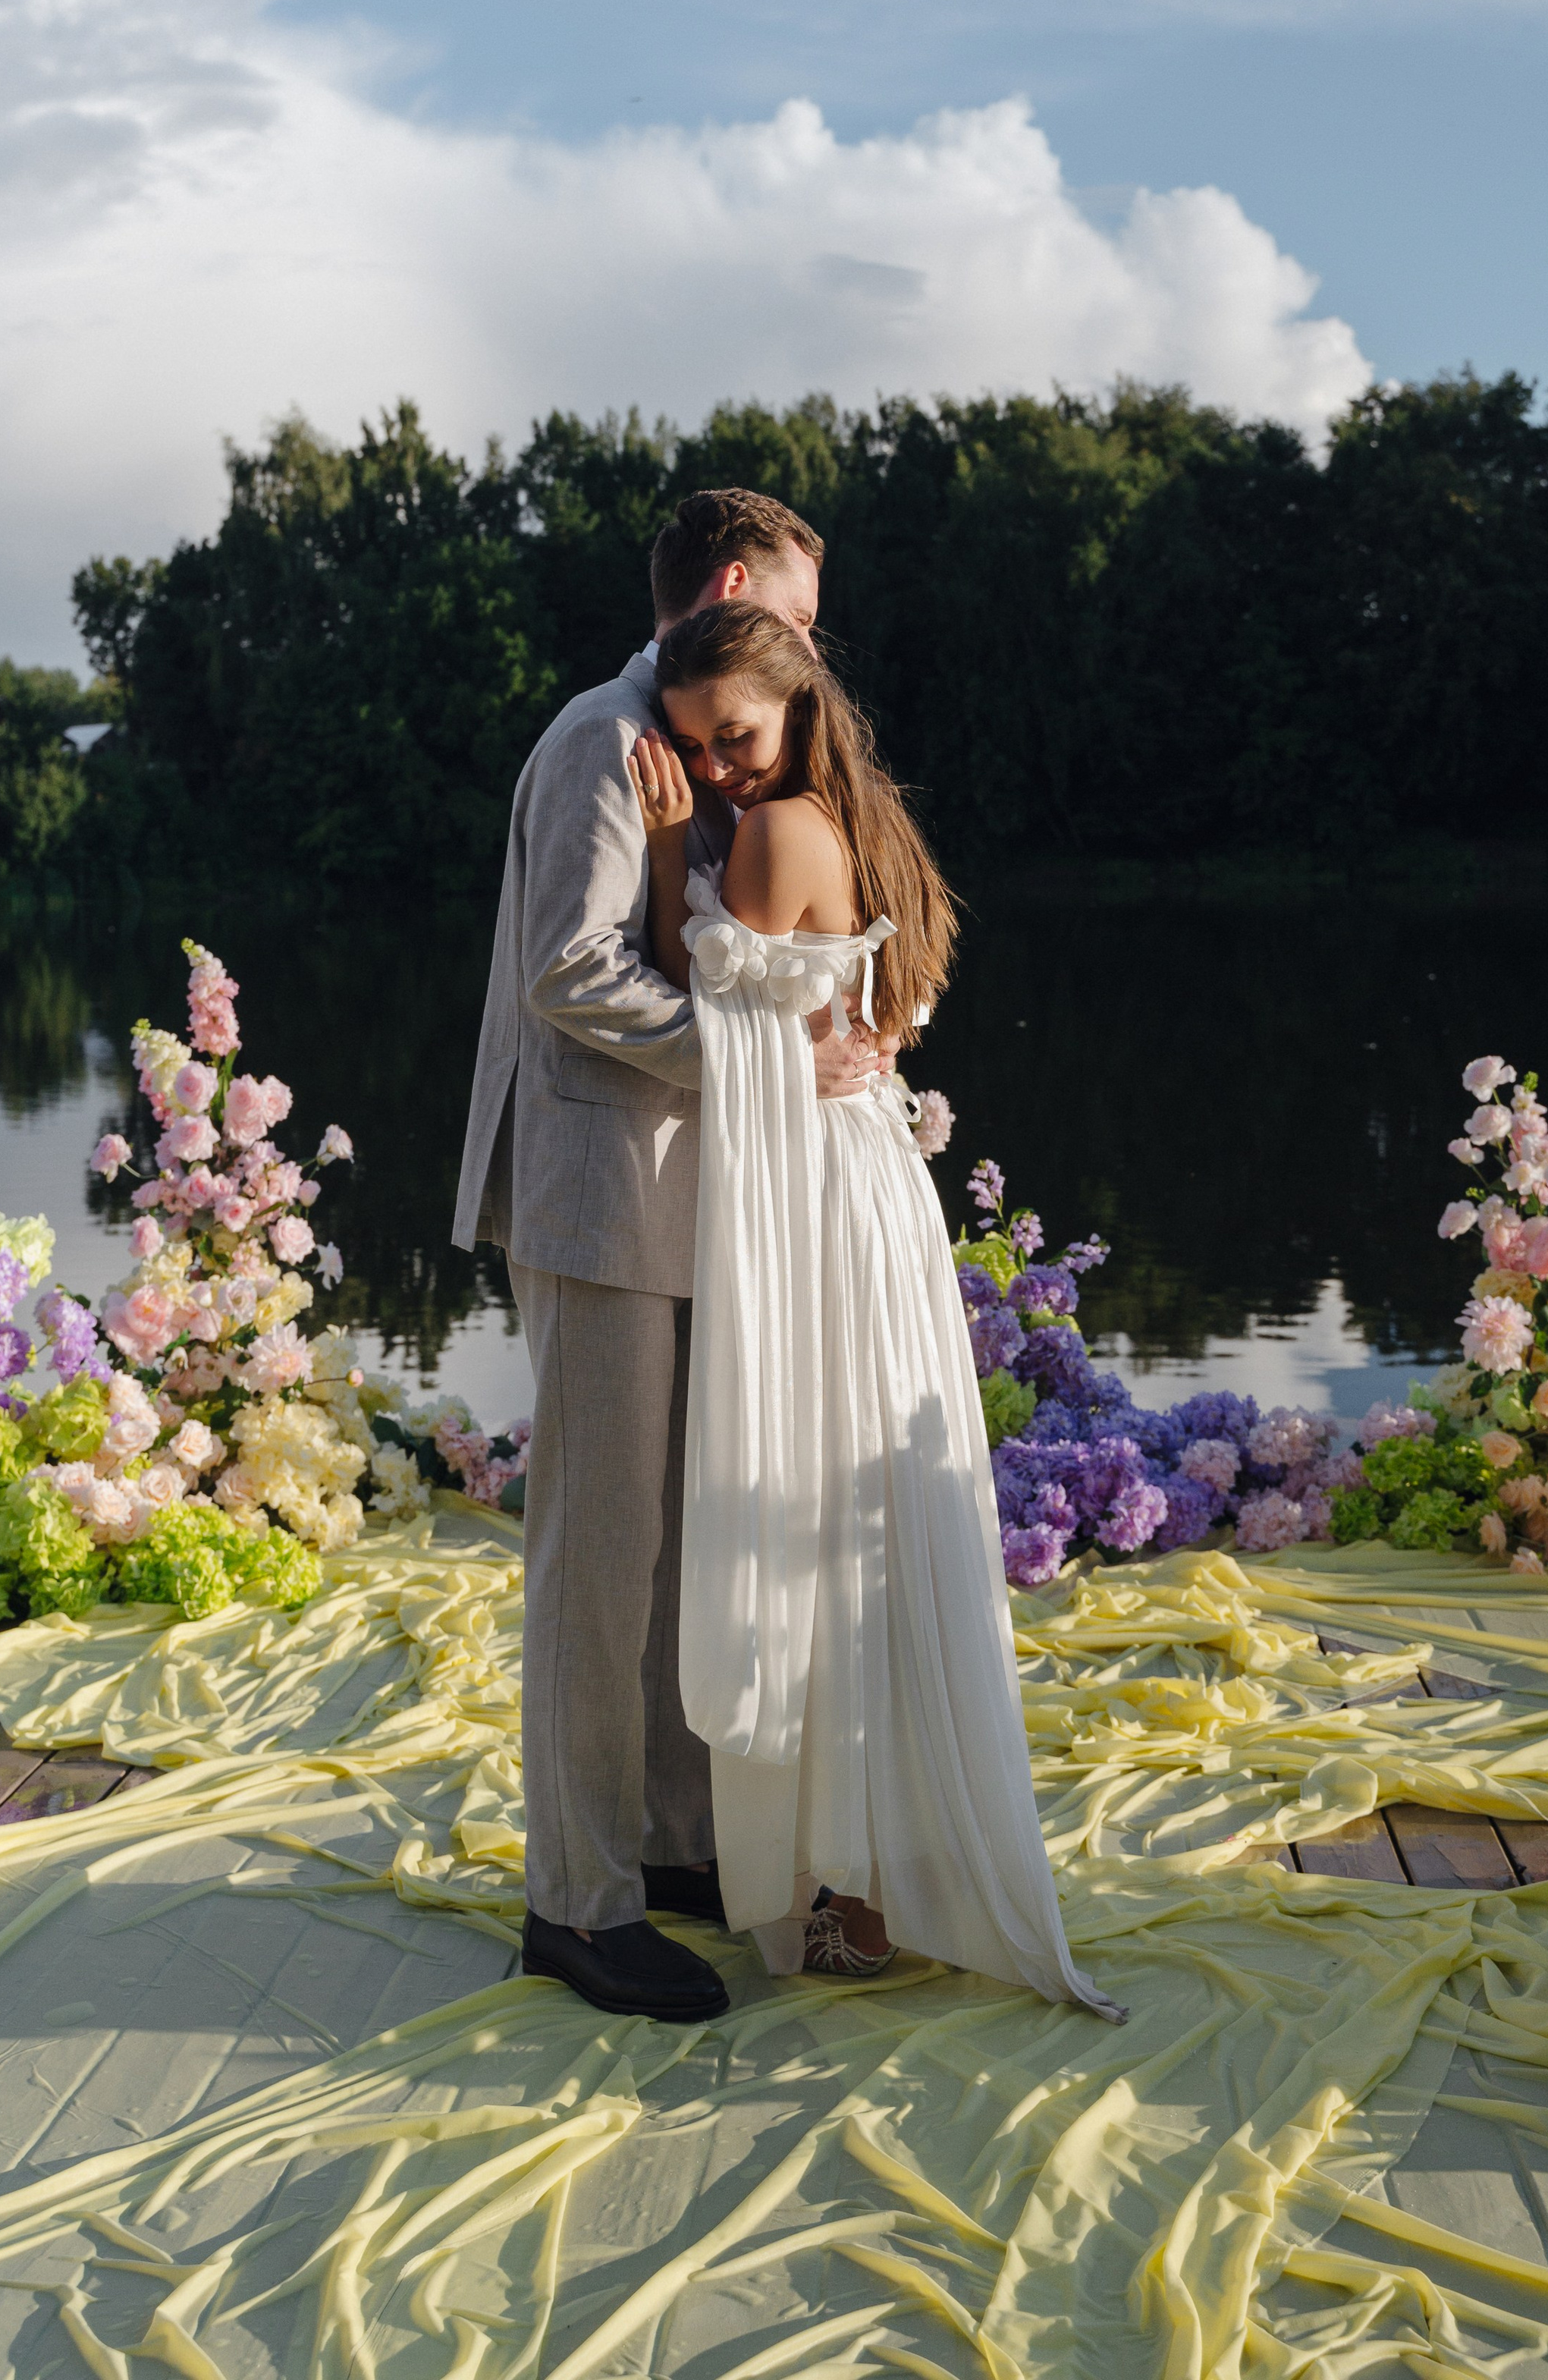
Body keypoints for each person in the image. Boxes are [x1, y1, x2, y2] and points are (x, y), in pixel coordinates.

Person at [630, 600, 1125, 2017]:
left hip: (830, 1209)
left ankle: (853, 1883)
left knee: (834, 1516)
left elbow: (686, 996)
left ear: (793, 709)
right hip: (845, 1182)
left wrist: (672, 846)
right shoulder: (840, 817)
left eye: (733, 737)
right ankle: (855, 1872)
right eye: (691, 748)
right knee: (848, 1515)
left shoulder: (780, 833)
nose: (714, 764)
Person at [452, 489, 881, 2023]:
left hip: (683, 1195)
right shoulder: (597, 737)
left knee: (675, 1544)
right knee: (596, 1555)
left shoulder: (697, 749)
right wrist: (766, 1063)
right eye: (797, 612)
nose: (806, 651)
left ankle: (668, 1844)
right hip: (594, 1197)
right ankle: (572, 1904)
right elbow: (568, 973)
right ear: (728, 581)